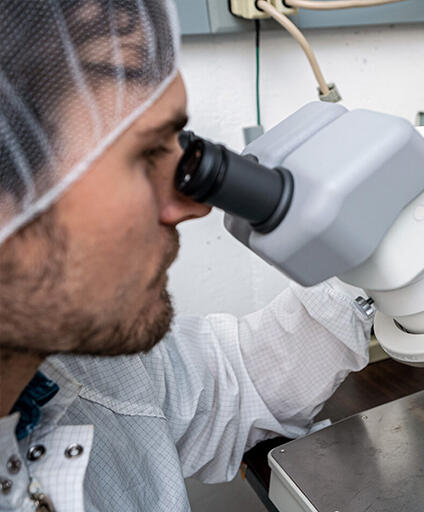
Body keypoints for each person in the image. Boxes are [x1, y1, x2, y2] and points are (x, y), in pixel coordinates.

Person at [0, 1, 372, 510]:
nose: (195, 206)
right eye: (142, 156)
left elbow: (235, 380)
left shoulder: (80, 367)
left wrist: (365, 260)